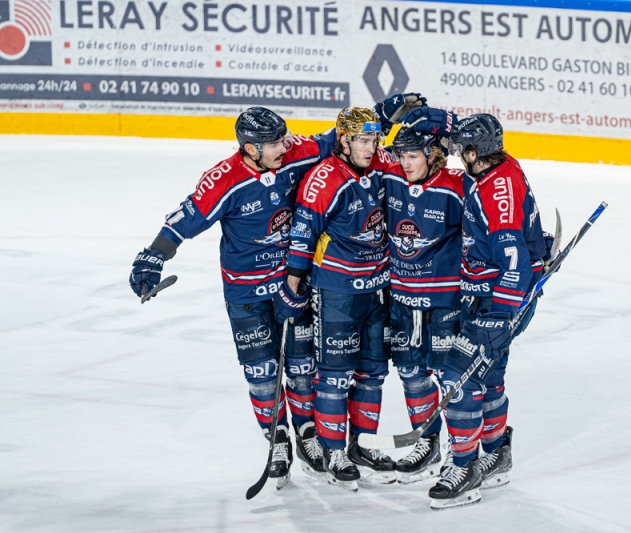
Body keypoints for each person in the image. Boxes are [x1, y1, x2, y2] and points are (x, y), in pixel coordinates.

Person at [127, 95, 425, 489]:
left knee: (303, 369)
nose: (286, 146)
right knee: (263, 375)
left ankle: (308, 436)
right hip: (246, 291)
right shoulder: (224, 178)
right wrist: (153, 257)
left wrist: (381, 114)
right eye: (275, 143)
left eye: (285, 138)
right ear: (250, 149)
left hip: (291, 286)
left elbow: (337, 139)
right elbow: (186, 218)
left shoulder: (294, 152)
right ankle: (279, 436)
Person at [402, 109, 547, 509]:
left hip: (497, 300)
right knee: (490, 375)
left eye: (457, 148)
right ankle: (496, 453)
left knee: (458, 378)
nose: (451, 153)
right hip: (489, 294)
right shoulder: (495, 166)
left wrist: (499, 317)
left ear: (472, 152)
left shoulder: (493, 193)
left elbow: (514, 264)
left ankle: (464, 468)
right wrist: (429, 116)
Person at [285, 107, 401, 491]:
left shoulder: (383, 163)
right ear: (344, 140)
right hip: (336, 290)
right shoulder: (323, 179)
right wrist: (293, 285)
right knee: (334, 375)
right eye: (364, 141)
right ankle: (333, 449)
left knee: (373, 372)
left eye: (375, 140)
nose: (372, 148)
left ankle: (363, 444)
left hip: (378, 287)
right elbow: (303, 236)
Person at [382, 127, 466, 484]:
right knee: (410, 374)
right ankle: (427, 442)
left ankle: (460, 451)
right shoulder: (391, 176)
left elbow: (493, 218)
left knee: (453, 380)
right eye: (401, 155)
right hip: (402, 298)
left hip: (445, 300)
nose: (405, 163)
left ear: (433, 155)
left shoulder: (457, 186)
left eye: (413, 156)